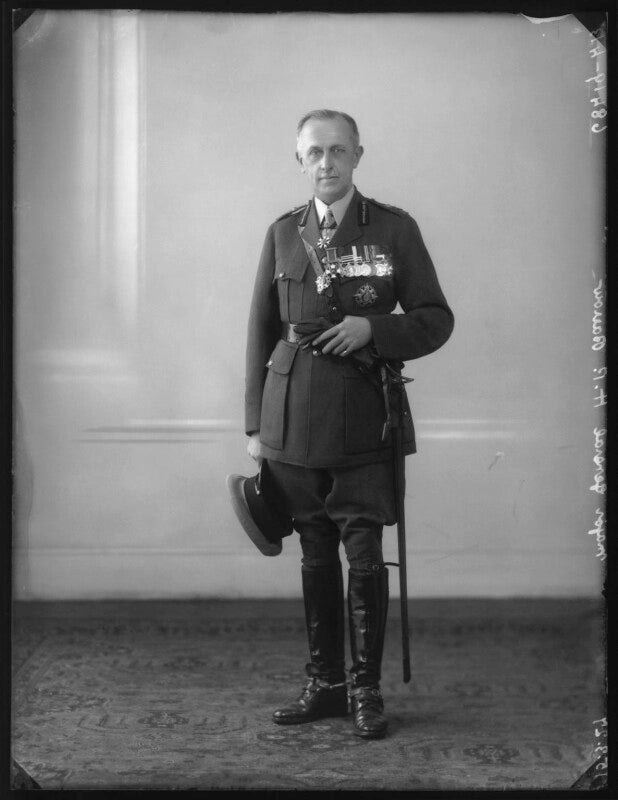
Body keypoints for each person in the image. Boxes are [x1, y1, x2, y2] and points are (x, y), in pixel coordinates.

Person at [244, 109, 453, 739]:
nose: (327, 162)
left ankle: (365, 690)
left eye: (339, 150)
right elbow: (261, 330)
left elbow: (434, 318)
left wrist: (374, 328)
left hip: (365, 417)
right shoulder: (283, 232)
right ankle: (325, 684)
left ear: (358, 155)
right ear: (299, 160)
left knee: (363, 554)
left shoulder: (393, 228)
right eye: (315, 152)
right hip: (292, 418)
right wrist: (255, 425)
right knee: (314, 552)